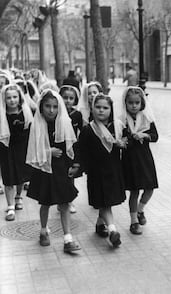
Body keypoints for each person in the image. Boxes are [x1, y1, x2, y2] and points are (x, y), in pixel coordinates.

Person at [25, 89, 81, 253]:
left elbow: (71, 146)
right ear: (41, 107)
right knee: (46, 203)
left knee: (64, 203)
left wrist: (74, 165)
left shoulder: (64, 122)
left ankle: (68, 238)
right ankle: (43, 230)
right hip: (44, 170)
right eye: (47, 106)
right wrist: (48, 151)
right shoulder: (36, 124)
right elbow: (31, 150)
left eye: (55, 107)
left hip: (60, 169)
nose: (51, 110)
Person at [78, 94, 127, 248]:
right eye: (98, 107)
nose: (101, 110)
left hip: (113, 170)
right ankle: (113, 231)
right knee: (105, 203)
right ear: (92, 109)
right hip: (96, 173)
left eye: (105, 108)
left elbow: (127, 142)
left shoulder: (117, 127)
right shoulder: (88, 129)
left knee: (106, 201)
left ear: (111, 110)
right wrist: (80, 167)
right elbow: (82, 151)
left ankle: (100, 224)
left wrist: (123, 144)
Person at [119, 87, 158, 235]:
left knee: (150, 187)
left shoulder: (147, 118)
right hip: (130, 159)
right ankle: (134, 221)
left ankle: (141, 210)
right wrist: (125, 139)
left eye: (137, 102)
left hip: (144, 157)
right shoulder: (122, 120)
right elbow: (120, 137)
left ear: (142, 103)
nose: (134, 106)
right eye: (130, 103)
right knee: (134, 191)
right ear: (126, 103)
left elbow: (155, 136)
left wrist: (144, 135)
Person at [0, 84, 33, 220]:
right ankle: (10, 207)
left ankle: (18, 196)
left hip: (21, 148)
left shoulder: (25, 112)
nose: (12, 100)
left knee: (20, 176)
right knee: (8, 177)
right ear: (4, 99)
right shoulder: (2, 114)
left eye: (15, 97)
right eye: (9, 98)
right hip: (6, 148)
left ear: (19, 98)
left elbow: (30, 130)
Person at [59, 85, 84, 213]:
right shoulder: (56, 112)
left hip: (72, 147)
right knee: (59, 174)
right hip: (59, 147)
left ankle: (70, 200)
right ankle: (60, 200)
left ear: (75, 100)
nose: (68, 100)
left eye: (71, 98)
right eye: (65, 97)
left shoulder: (77, 114)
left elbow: (82, 131)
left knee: (71, 174)